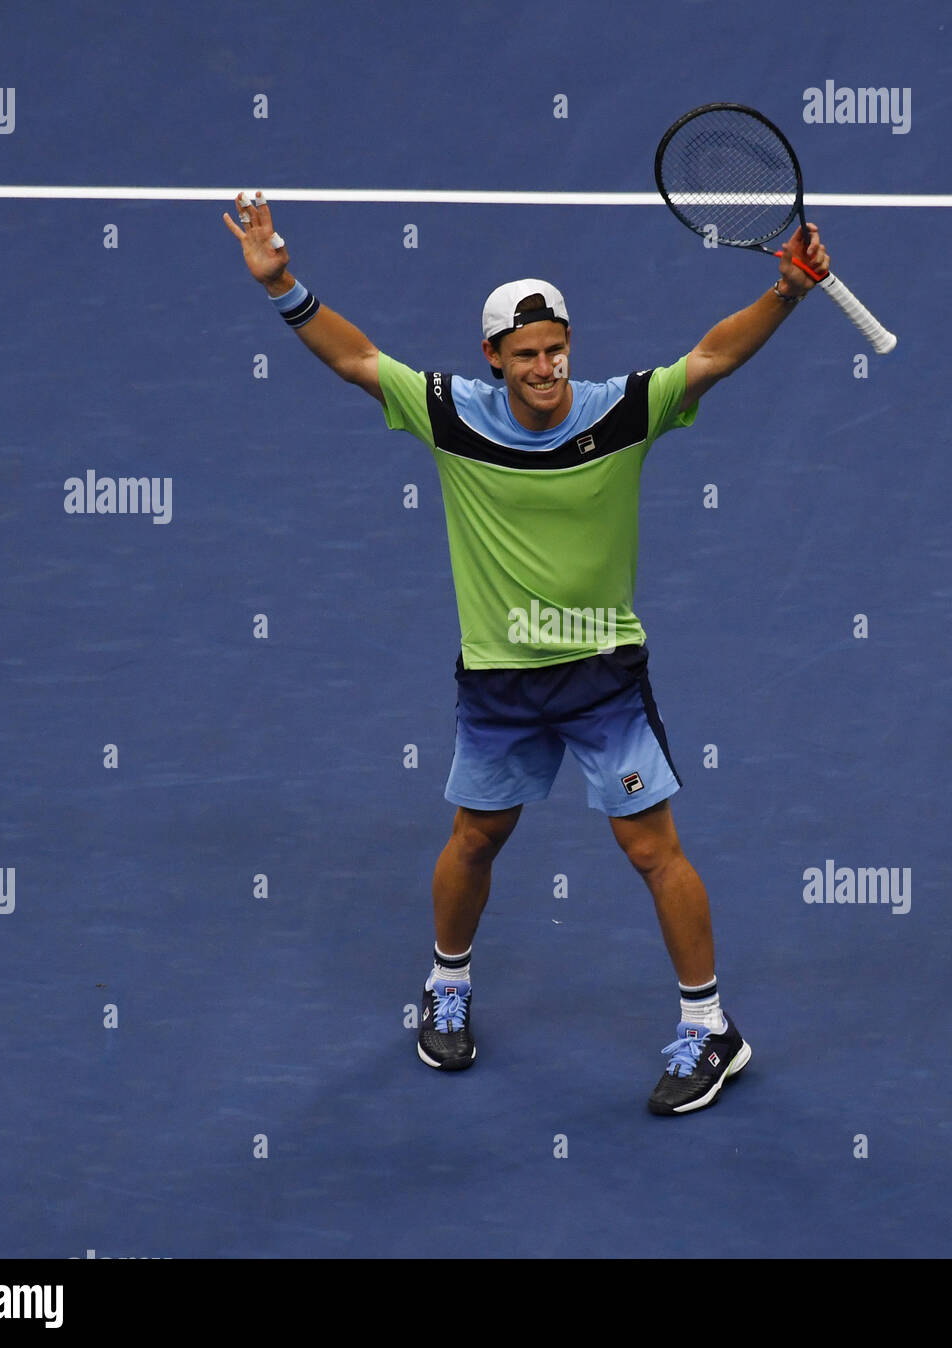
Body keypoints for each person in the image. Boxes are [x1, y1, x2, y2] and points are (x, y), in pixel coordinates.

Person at [223, 190, 830, 1114]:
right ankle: (449, 986)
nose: (546, 367)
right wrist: (284, 287)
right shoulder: (453, 415)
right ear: (493, 359)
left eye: (556, 350)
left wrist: (785, 293)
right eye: (527, 354)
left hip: (600, 674)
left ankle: (711, 1029)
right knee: (476, 837)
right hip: (500, 682)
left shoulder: (622, 411)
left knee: (651, 849)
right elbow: (355, 359)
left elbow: (712, 357)